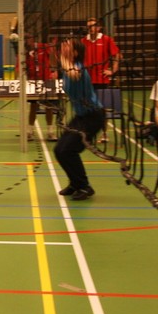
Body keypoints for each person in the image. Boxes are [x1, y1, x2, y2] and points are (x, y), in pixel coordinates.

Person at [53, 39, 106, 200]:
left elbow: (74, 75)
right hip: (81, 116)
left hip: (93, 116)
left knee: (68, 150)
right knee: (59, 150)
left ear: (75, 53)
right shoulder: (66, 68)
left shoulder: (78, 68)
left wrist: (63, 58)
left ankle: (84, 187)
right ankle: (75, 183)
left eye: (68, 45)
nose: (63, 46)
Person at [25, 35, 58, 141]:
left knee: (49, 106)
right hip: (33, 82)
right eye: (25, 40)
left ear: (32, 39)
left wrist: (54, 70)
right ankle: (29, 131)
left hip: (47, 80)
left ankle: (50, 132)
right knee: (33, 106)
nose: (27, 41)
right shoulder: (25, 51)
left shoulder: (42, 47)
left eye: (28, 39)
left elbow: (52, 58)